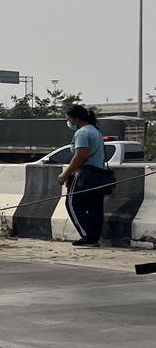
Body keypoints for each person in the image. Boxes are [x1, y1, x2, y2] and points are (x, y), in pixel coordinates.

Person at [59, 104, 114, 247]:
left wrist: (65, 174)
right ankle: (93, 237)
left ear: (76, 119)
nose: (69, 122)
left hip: (85, 175)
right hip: (99, 174)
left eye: (69, 119)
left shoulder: (82, 133)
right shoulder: (95, 131)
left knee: (72, 204)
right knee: (95, 207)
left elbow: (81, 156)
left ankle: (87, 236)